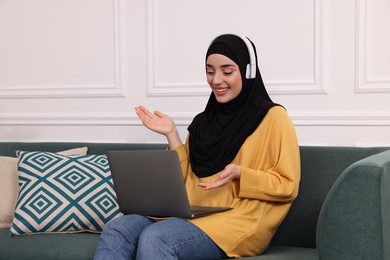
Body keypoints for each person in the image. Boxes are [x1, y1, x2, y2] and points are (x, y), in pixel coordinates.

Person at [94, 34, 300, 259]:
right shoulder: (203, 121)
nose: (216, 80)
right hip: (193, 214)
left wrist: (242, 174)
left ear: (248, 71)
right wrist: (172, 135)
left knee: (157, 236)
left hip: (238, 220)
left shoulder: (273, 117)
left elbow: (287, 185)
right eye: (210, 71)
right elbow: (184, 184)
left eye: (227, 71)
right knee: (117, 229)